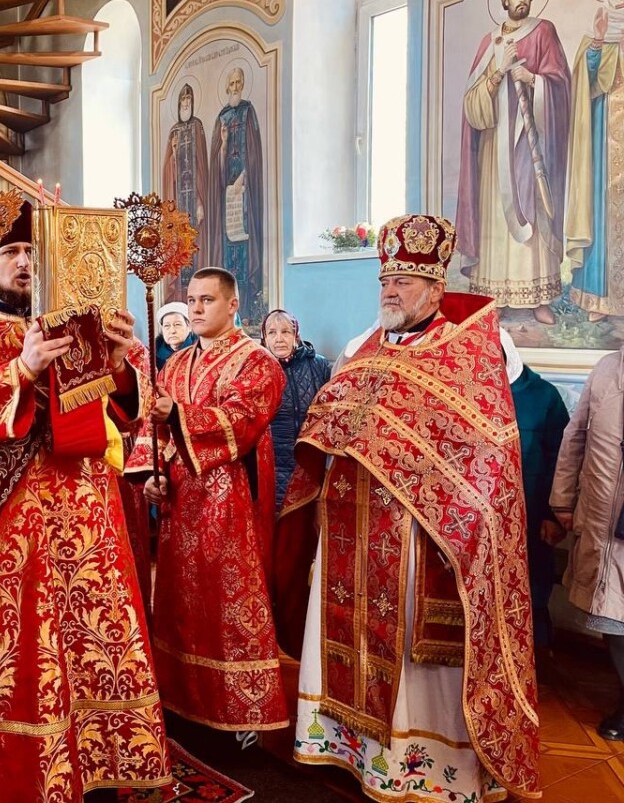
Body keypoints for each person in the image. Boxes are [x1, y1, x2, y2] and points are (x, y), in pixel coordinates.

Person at [284, 214, 539, 802]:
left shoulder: (469, 350)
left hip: (423, 537)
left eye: (403, 281)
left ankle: (418, 765)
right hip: (350, 524)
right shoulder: (363, 348)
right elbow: (333, 420)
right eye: (385, 281)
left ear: (435, 287)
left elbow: (483, 450)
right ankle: (347, 748)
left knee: (410, 657)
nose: (390, 291)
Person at [0, 196, 170, 801]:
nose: (24, 263)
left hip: (90, 518)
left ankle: (98, 769)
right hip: (10, 524)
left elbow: (128, 416)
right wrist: (22, 370)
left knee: (97, 644)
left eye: (33, 251)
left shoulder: (82, 325)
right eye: (10, 252)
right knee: (22, 652)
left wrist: (119, 366)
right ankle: (21, 778)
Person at [129, 268, 287, 734]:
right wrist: (152, 475)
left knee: (227, 602)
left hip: (230, 499)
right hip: (180, 501)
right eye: (192, 300)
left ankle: (238, 715)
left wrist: (178, 414)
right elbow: (152, 428)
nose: (196, 309)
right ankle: (181, 701)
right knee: (180, 601)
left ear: (233, 305)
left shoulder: (257, 362)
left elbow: (243, 420)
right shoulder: (175, 364)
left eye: (207, 300)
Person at [456, 0, 570, 325]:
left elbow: (561, 86)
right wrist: (499, 70)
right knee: (497, 218)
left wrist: (533, 79)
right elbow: (472, 105)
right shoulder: (489, 43)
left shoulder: (543, 31)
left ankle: (539, 298)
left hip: (529, 143)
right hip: (494, 151)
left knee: (532, 213)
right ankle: (498, 297)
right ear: (505, 0)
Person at [549, 346, 624, 739]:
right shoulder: (608, 368)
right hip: (604, 515)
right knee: (613, 614)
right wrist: (563, 500)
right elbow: (575, 436)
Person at [497, 331, 568, 660]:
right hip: (481, 517)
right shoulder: (465, 393)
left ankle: (535, 656)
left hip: (532, 512)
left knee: (532, 584)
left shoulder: (543, 396)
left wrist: (554, 516)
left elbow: (563, 459)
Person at [567, 0, 624, 320]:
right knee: (606, 210)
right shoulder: (603, 23)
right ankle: (602, 298)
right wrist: (600, 42)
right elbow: (585, 83)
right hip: (608, 131)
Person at [208, 67, 264, 324]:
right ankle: (226, 314)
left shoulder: (248, 112)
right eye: (230, 83)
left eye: (238, 83)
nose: (234, 88)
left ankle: (247, 312)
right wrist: (223, 143)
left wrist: (244, 176)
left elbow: (253, 154)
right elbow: (216, 166)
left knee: (244, 250)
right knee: (228, 253)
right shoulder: (223, 116)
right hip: (227, 200)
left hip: (243, 197)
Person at [261, 308, 330, 511]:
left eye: (285, 332)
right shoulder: (259, 369)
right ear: (264, 338)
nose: (279, 339)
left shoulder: (318, 365)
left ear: (296, 336)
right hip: (274, 467)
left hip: (311, 464)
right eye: (272, 333)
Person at [162, 83, 210, 298]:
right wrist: (173, 153)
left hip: (193, 201)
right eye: (183, 100)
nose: (186, 104)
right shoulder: (174, 131)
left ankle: (199, 292)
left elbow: (201, 167)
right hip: (179, 203)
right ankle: (181, 297)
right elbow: (168, 172)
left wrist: (200, 201)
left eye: (189, 100)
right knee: (179, 248)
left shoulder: (197, 127)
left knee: (195, 247)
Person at [155, 300, 196, 368]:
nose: (172, 331)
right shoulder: (154, 354)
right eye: (167, 326)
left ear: (189, 327)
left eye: (177, 324)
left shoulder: (198, 351)